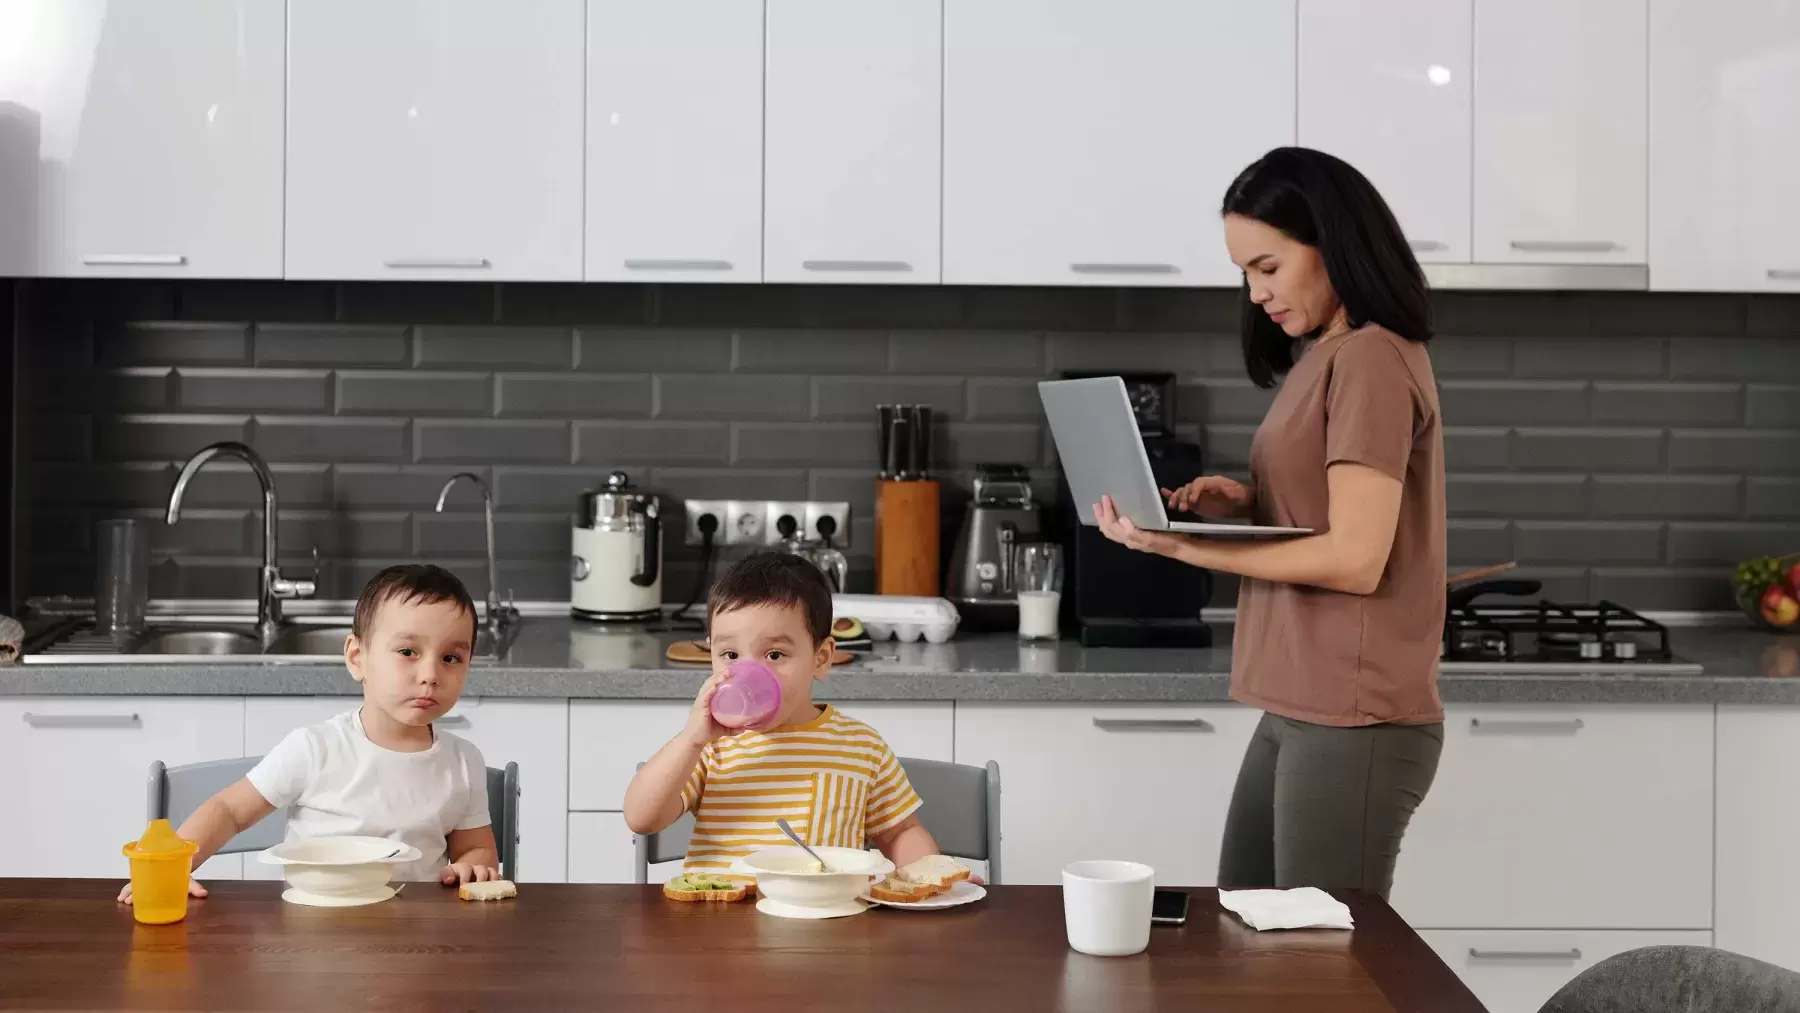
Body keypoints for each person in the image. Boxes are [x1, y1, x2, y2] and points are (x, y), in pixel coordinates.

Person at [1092, 146, 1445, 899]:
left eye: (1268, 266)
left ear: (1332, 243)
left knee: (1317, 954)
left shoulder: (1372, 359)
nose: (1255, 294)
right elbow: (1333, 503)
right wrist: (1246, 501)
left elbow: (1354, 558)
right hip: (1303, 697)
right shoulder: (1327, 354)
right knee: (1248, 928)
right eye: (1245, 273)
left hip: (1353, 709)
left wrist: (1187, 548)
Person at [119, 564, 501, 903]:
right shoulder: (314, 749)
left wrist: (474, 866)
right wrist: (172, 869)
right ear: (357, 658)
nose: (430, 675)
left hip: (416, 942)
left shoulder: (463, 762)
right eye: (407, 652)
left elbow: (477, 850)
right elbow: (229, 811)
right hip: (312, 936)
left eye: (451, 658)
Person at [624, 552, 942, 879]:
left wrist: (932, 876)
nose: (750, 674)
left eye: (774, 654)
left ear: (821, 658)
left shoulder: (861, 746)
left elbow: (900, 833)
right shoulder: (708, 747)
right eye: (730, 654)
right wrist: (690, 741)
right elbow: (642, 819)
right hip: (722, 909)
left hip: (825, 908)